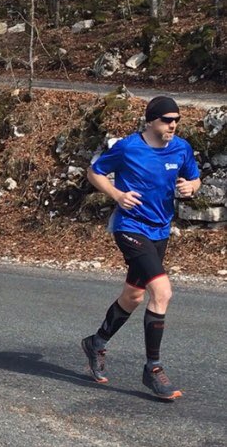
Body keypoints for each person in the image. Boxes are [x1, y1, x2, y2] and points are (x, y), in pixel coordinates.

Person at [81, 96, 200, 401]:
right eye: (166, 120)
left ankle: (95, 342)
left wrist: (191, 187)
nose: (172, 125)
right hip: (130, 227)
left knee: (133, 295)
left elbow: (194, 178)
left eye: (176, 120)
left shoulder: (181, 148)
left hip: (160, 231)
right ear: (151, 121)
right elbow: (94, 172)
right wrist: (117, 194)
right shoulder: (128, 147)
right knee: (161, 292)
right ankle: (153, 369)